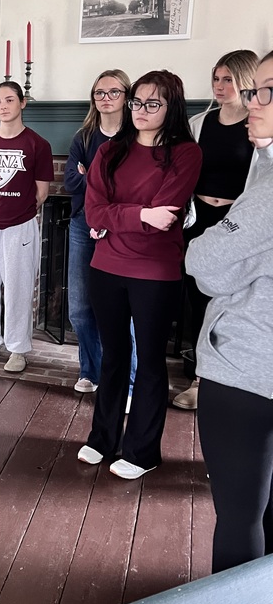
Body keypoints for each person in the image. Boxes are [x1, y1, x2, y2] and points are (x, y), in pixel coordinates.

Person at [78, 70, 202, 480]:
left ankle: (142, 450)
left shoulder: (185, 153)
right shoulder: (110, 151)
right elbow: (94, 213)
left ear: (172, 108)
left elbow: (165, 218)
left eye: (153, 103)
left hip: (156, 272)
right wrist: (140, 213)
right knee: (113, 356)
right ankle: (103, 438)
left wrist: (126, 217)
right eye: (137, 102)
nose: (141, 110)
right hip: (106, 268)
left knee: (149, 361)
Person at [187, 50, 273, 572]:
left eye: (266, 91)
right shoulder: (259, 168)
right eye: (252, 90)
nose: (252, 101)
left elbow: (206, 264)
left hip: (247, 366)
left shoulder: (267, 194)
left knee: (240, 517)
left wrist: (218, 240)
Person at [172, 49, 258, 410]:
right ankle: (198, 378)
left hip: (238, 226)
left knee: (233, 302)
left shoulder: (258, 126)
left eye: (228, 79)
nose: (220, 86)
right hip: (200, 222)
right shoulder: (197, 124)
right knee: (198, 300)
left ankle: (229, 379)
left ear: (246, 81)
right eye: (216, 78)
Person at [0, 81, 53, 373]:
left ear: (22, 103)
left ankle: (17, 349)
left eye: (9, 100)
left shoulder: (38, 144)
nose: (3, 106)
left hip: (20, 226)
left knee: (19, 287)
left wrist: (16, 209)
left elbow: (42, 192)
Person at [64, 70, 131, 393]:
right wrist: (102, 179)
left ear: (126, 96)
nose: (105, 98)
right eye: (99, 93)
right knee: (79, 306)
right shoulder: (84, 137)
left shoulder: (135, 136)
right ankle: (89, 370)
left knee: (122, 309)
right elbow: (69, 182)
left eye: (113, 92)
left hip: (121, 229)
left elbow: (130, 187)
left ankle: (125, 380)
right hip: (82, 223)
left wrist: (91, 175)